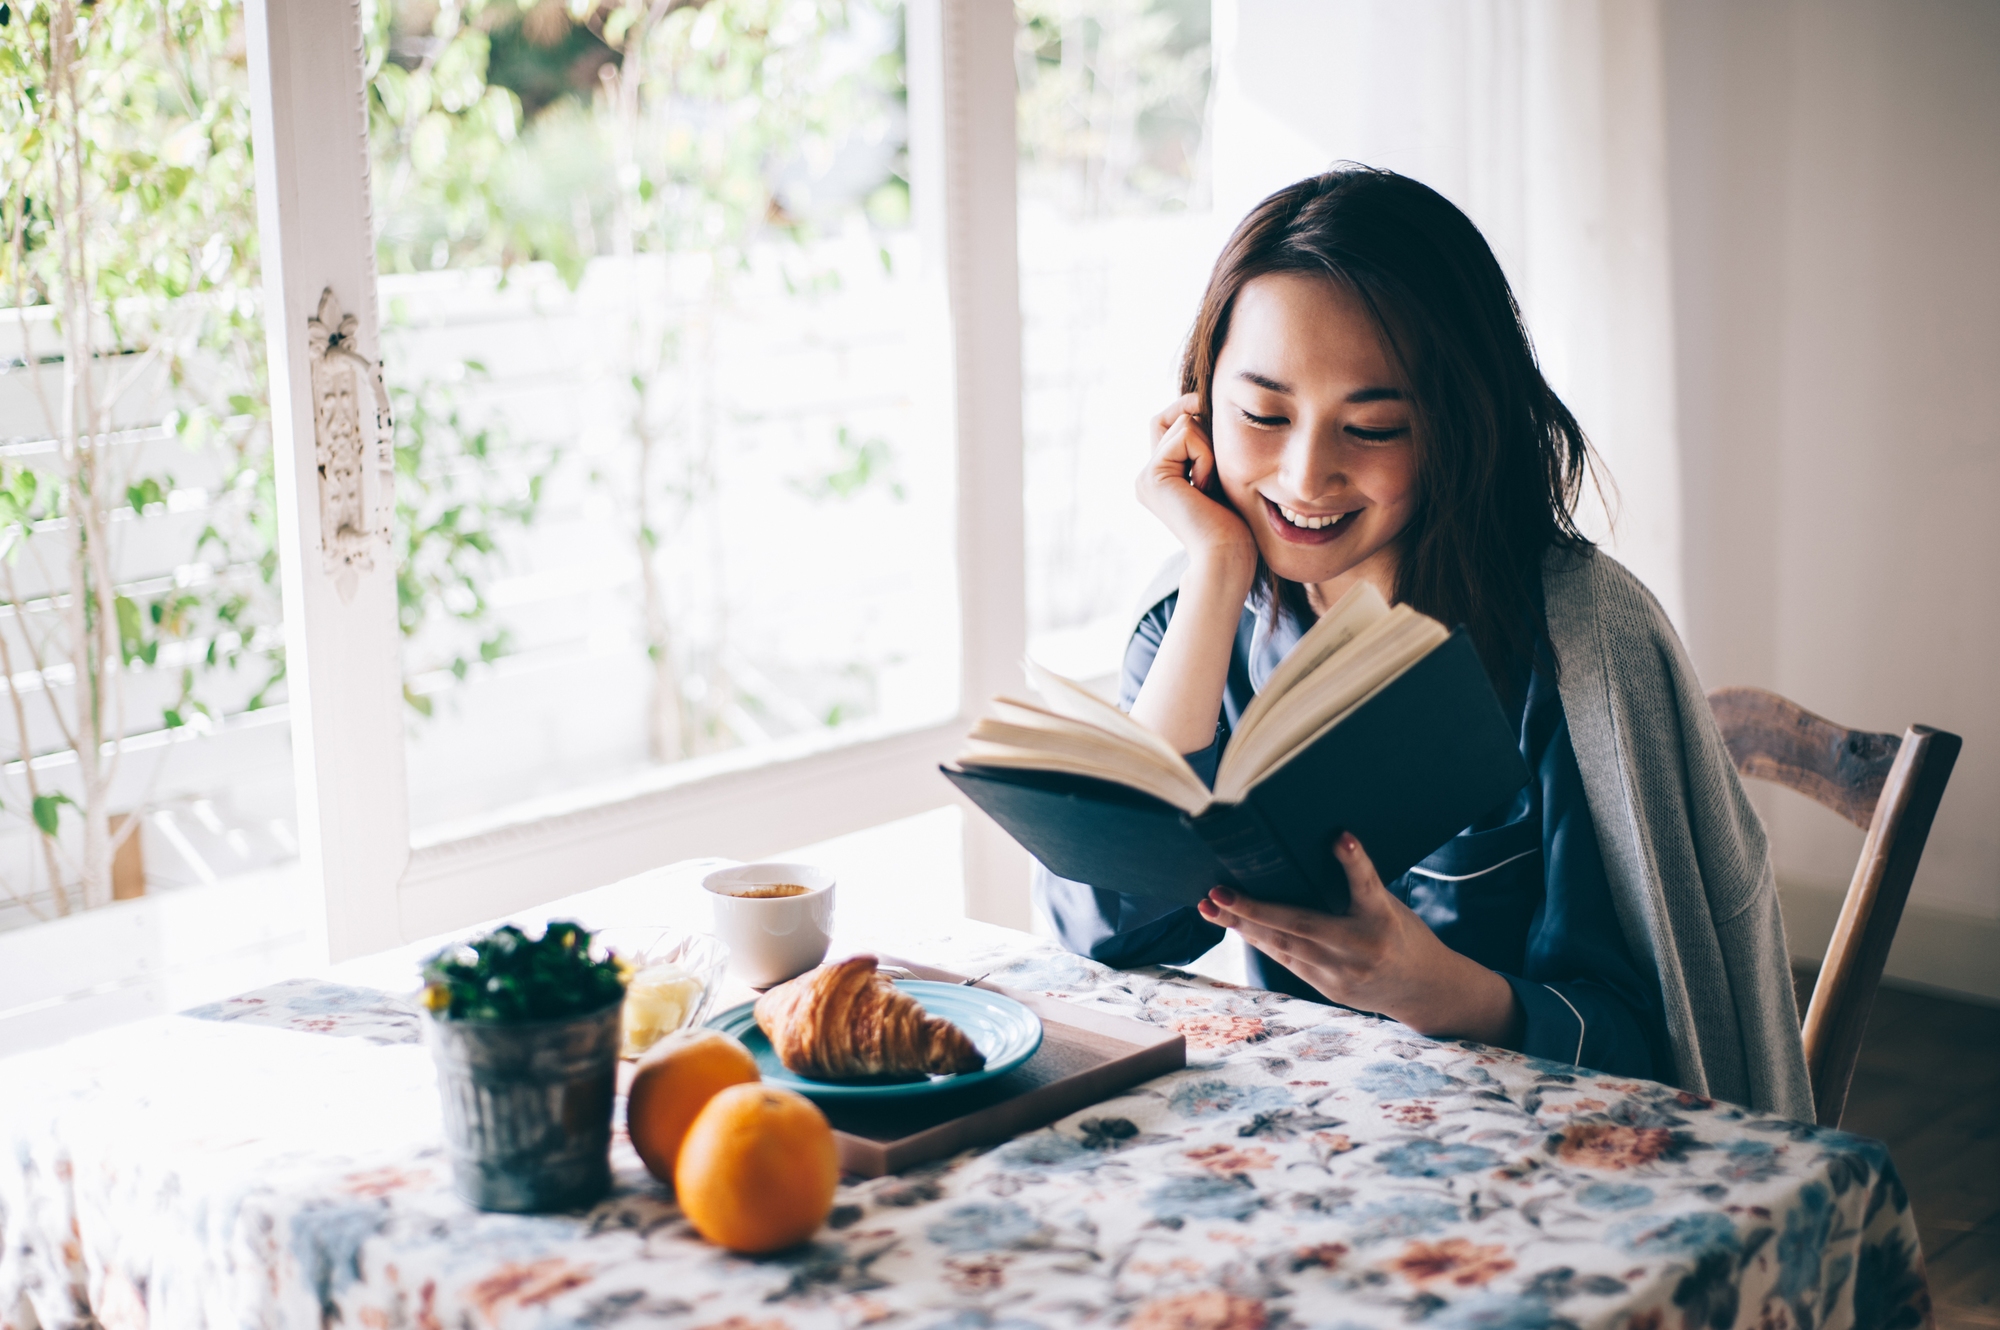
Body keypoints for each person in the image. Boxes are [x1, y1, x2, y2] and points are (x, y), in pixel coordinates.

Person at [1034, 168, 1813, 1120]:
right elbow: (1101, 930)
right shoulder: (1199, 604)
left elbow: (1661, 1051)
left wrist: (1432, 988)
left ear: (1458, 428)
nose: (1306, 473)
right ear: (1196, 409)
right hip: (1307, 1144)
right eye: (1263, 415)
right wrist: (1212, 565)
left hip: (1543, 1169)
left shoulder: (1576, 650)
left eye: (1373, 427)